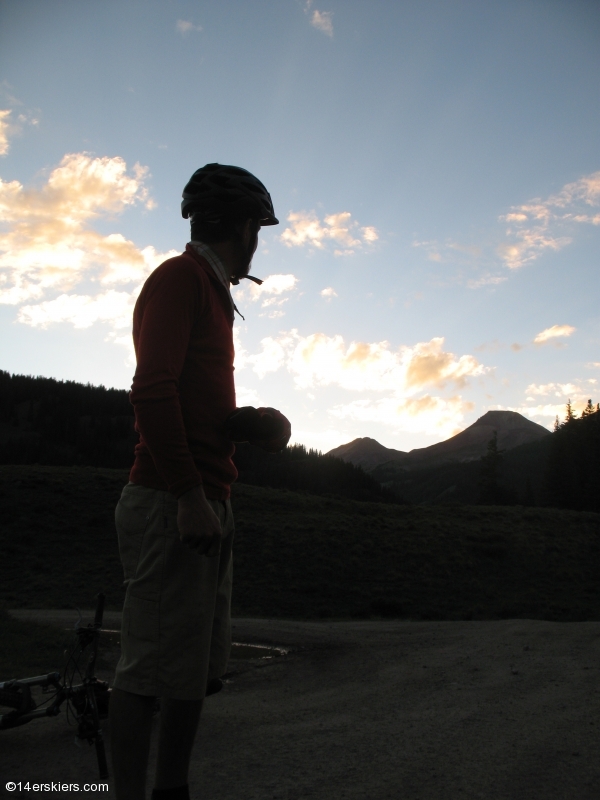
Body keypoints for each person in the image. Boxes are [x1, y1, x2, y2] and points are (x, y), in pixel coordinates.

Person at [109, 163, 291, 800]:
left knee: (190, 672)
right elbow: (151, 389)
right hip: (171, 500)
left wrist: (242, 424)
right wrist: (188, 495)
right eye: (257, 230)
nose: (257, 243)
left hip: (204, 497)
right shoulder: (180, 279)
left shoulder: (212, 293)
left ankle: (172, 790)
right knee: (148, 671)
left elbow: (184, 395)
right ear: (243, 227)